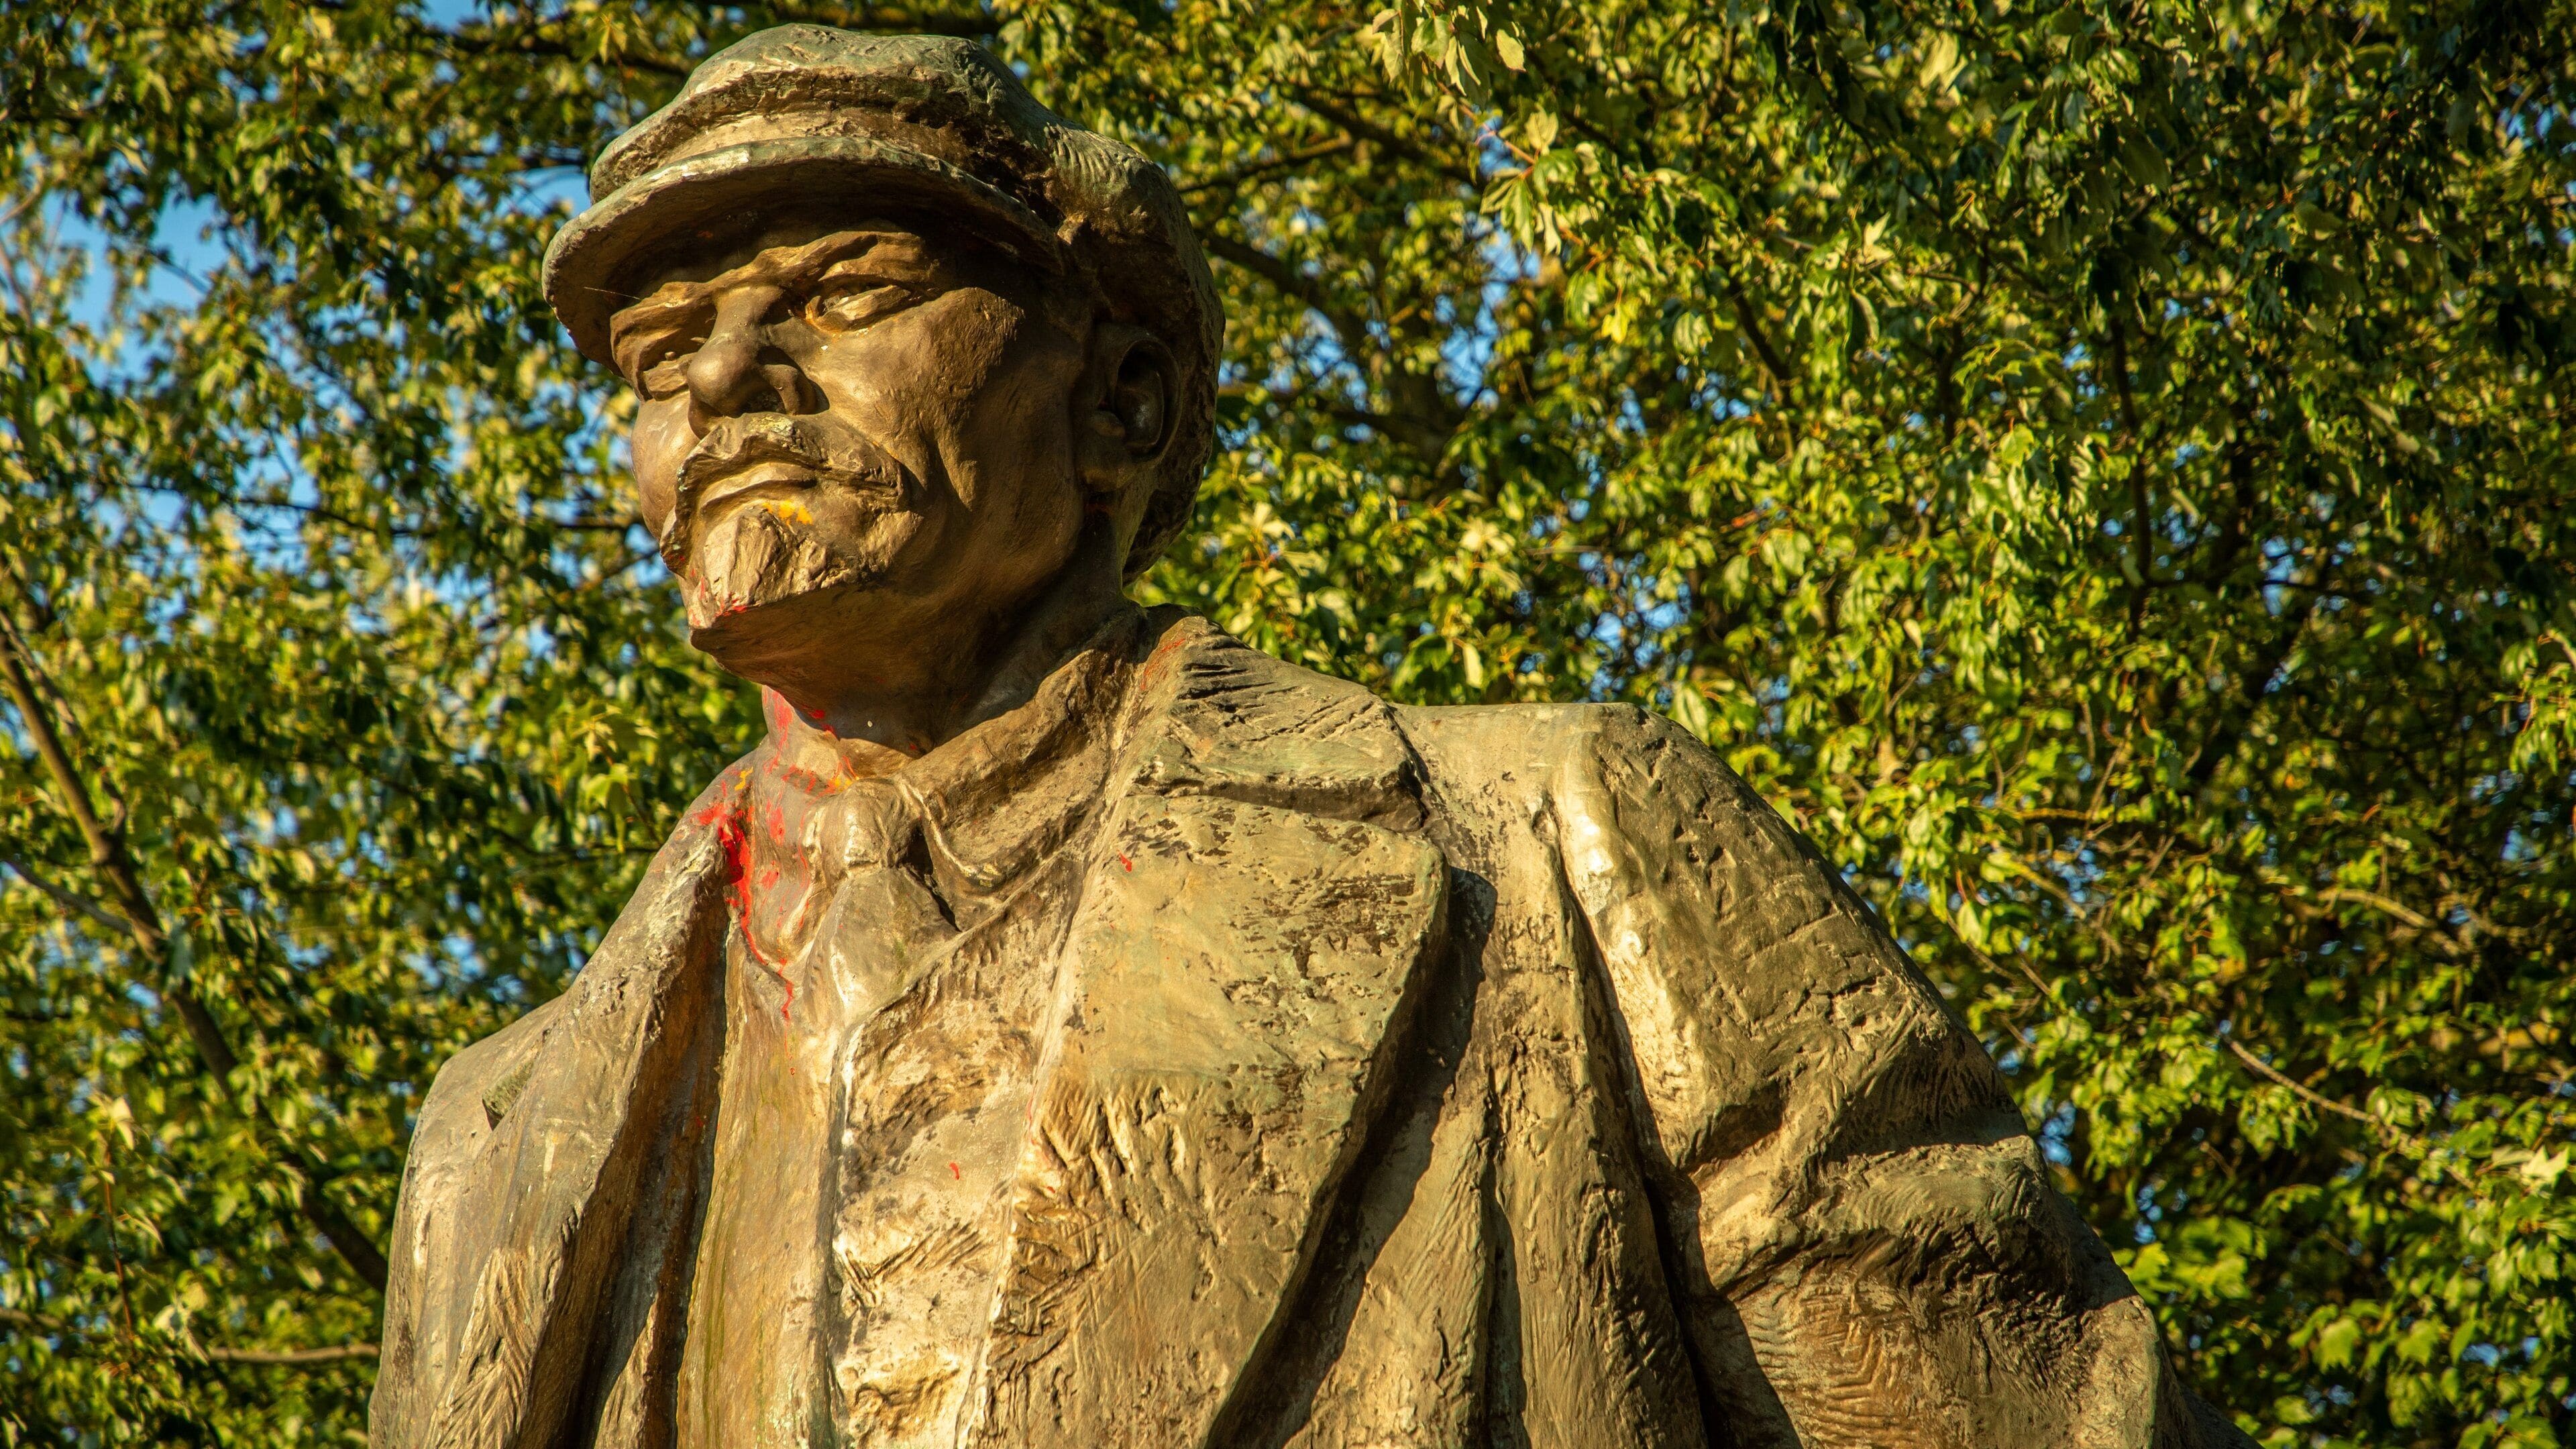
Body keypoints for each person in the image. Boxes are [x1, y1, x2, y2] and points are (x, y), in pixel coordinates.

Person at [370, 27, 2251, 1449]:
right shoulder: (496, 1138)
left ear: (1121, 396)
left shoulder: (1548, 851)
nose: (720, 380)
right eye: (655, 346)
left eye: (848, 287)